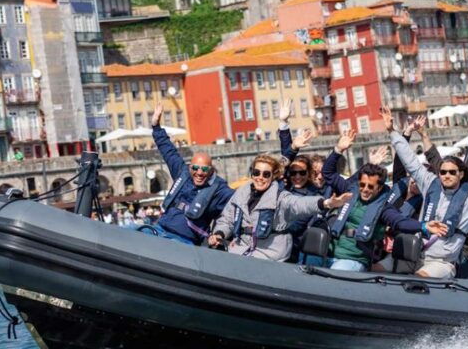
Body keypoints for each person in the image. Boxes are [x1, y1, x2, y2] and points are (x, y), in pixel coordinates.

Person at [384, 109, 468, 279]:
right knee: (377, 269)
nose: (447, 175)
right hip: (415, 253)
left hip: (441, 262)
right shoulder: (430, 183)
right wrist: (392, 132)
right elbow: (409, 160)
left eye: (452, 173)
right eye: (443, 172)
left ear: (461, 175)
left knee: (418, 279)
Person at [316, 131, 448, 272]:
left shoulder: (383, 208)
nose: (365, 189)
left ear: (379, 188)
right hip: (329, 253)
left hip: (352, 260)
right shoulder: (350, 190)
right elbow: (328, 173)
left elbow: (400, 222)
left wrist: (423, 226)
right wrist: (338, 150)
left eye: (370, 186)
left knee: (336, 272)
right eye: (362, 185)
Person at [208, 155, 350, 261]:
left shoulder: (281, 197)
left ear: (273, 176)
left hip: (269, 252)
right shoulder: (241, 192)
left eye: (266, 174)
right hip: (242, 247)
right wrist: (219, 234)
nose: (260, 177)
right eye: (256, 173)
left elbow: (300, 204)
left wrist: (326, 203)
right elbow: (227, 219)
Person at [150, 102, 235, 245]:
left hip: (183, 240)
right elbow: (168, 151)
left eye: (205, 169)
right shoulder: (182, 173)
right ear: (190, 167)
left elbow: (242, 200)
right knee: (128, 231)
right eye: (195, 168)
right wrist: (156, 126)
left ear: (211, 170)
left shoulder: (220, 190)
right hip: (159, 229)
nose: (199, 173)